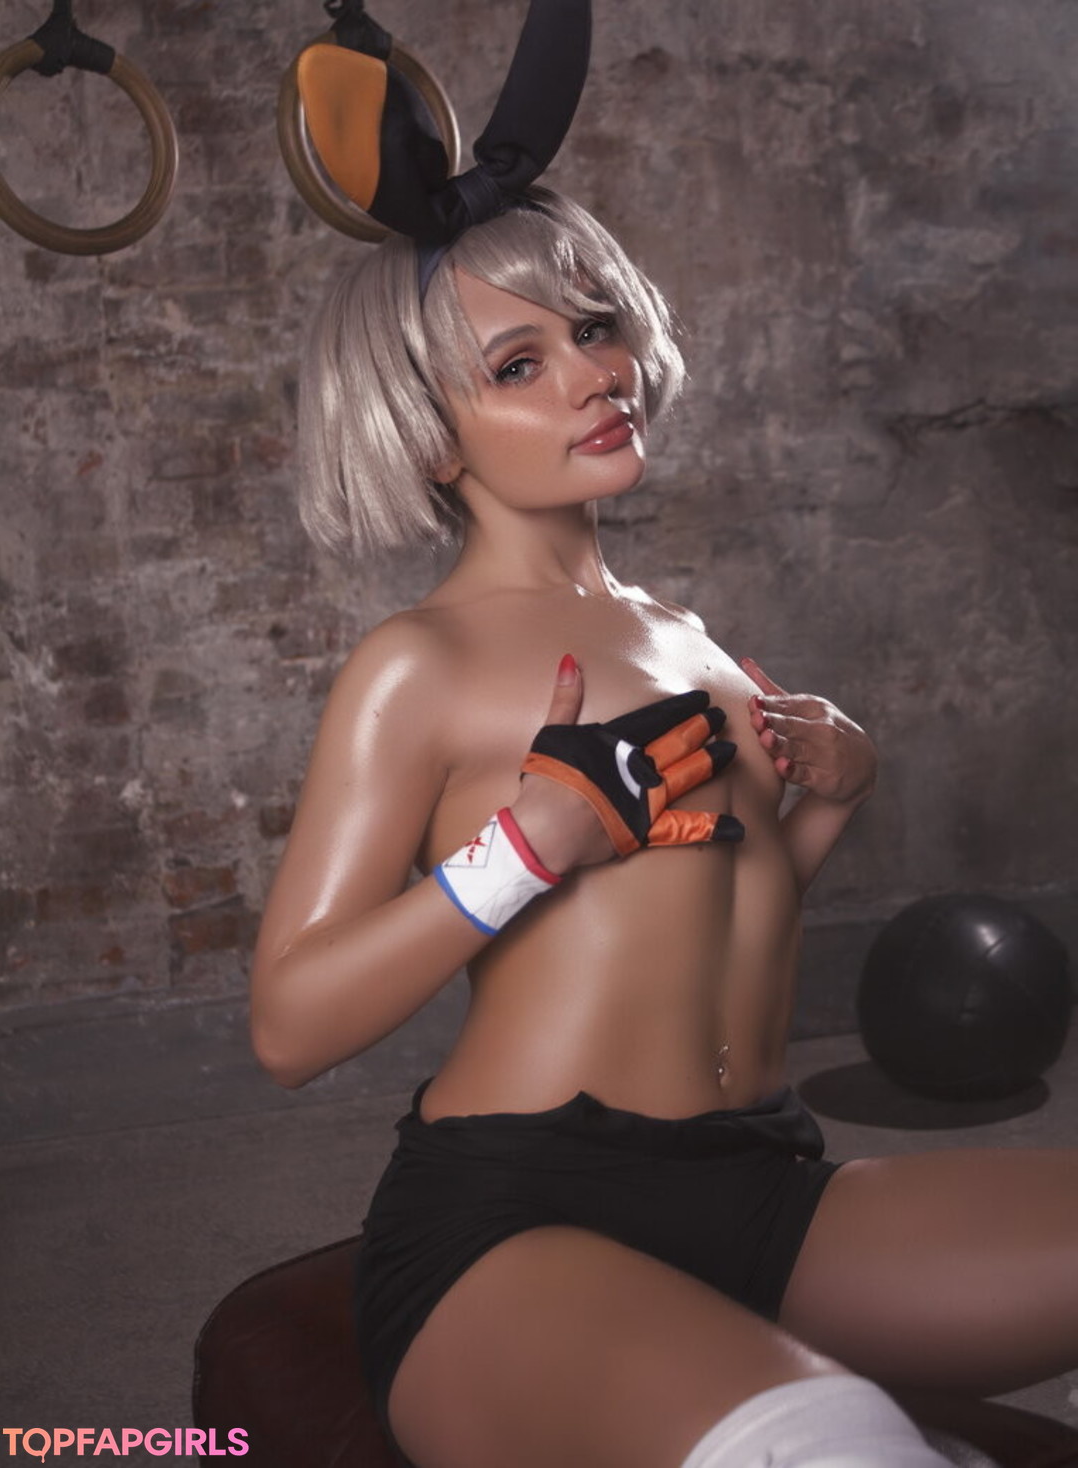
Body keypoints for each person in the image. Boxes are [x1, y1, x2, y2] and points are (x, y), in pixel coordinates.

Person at [250, 188, 1078, 1468]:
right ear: (428, 437)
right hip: (518, 1223)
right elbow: (289, 1027)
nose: (595, 373)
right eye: (519, 364)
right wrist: (527, 847)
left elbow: (717, 919)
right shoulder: (418, 664)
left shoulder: (682, 635)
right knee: (839, 1449)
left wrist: (831, 800)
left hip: (764, 1185)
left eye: (594, 328)